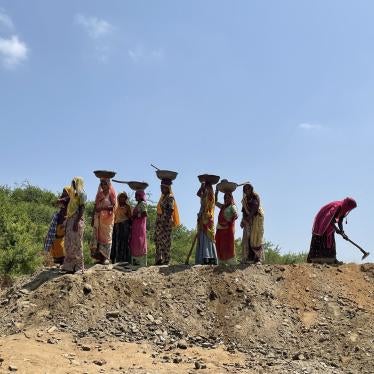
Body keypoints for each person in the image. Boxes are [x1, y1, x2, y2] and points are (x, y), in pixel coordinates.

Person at [307, 197, 357, 264]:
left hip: (330, 225)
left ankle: (332, 259)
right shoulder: (337, 206)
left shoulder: (343, 210)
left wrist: (342, 232)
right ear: (347, 205)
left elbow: (340, 221)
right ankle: (316, 260)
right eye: (350, 207)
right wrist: (337, 230)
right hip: (322, 221)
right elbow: (329, 220)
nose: (350, 209)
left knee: (330, 238)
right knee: (321, 237)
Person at [61, 177, 86, 273]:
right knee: (68, 243)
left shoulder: (82, 194)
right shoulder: (72, 194)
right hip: (70, 220)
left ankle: (79, 267)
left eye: (75, 183)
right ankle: (69, 266)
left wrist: (76, 222)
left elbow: (82, 209)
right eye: (73, 183)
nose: (74, 184)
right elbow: (69, 208)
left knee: (77, 243)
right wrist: (66, 222)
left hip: (77, 220)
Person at [90, 178, 116, 265]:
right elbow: (95, 206)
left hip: (108, 220)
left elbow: (114, 206)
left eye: (104, 183)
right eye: (101, 183)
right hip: (98, 218)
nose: (102, 185)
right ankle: (100, 257)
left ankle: (106, 258)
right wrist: (93, 218)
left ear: (108, 184)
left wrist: (103, 208)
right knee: (97, 237)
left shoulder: (111, 194)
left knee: (107, 238)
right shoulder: (99, 195)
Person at [154, 179, 180, 265]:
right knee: (158, 240)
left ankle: (166, 259)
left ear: (167, 188)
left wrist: (164, 221)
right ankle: (159, 259)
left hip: (166, 222)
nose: (161, 189)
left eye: (163, 188)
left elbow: (170, 210)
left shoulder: (170, 197)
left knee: (165, 241)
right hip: (160, 222)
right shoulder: (163, 197)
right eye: (161, 187)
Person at [44, 187, 70, 265]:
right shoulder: (63, 200)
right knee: (55, 240)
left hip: (62, 223)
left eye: (65, 192)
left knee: (59, 240)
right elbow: (56, 202)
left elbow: (61, 201)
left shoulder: (68, 200)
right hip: (57, 223)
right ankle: (58, 260)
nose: (63, 193)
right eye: (63, 191)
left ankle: (62, 260)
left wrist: (61, 199)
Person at [240, 183, 265, 264]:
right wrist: (243, 221)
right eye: (245, 189)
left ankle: (257, 258)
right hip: (248, 219)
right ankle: (249, 257)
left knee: (256, 238)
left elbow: (254, 209)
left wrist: (246, 220)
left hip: (257, 218)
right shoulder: (244, 200)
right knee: (248, 237)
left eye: (248, 189)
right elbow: (244, 211)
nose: (247, 191)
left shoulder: (255, 197)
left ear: (251, 189)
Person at [195, 181, 218, 265]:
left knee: (208, 238)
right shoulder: (203, 194)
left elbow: (209, 208)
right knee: (201, 237)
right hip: (201, 218)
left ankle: (209, 259)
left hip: (208, 219)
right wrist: (201, 187)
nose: (206, 189)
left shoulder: (211, 195)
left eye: (207, 187)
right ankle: (201, 260)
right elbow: (198, 194)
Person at [215, 190, 238, 265]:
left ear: (231, 198)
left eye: (228, 197)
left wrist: (233, 217)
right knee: (220, 244)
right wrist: (216, 192)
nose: (227, 199)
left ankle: (231, 262)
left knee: (228, 245)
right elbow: (215, 202)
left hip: (227, 229)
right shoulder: (223, 206)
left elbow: (236, 214)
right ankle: (221, 261)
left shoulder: (232, 206)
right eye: (225, 198)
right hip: (220, 228)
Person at [111, 192, 132, 264]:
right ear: (118, 198)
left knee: (125, 243)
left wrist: (127, 215)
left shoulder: (127, 207)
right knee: (116, 243)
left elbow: (130, 218)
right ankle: (117, 259)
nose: (122, 199)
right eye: (121, 197)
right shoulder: (116, 206)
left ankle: (125, 260)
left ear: (126, 199)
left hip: (125, 226)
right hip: (116, 226)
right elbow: (113, 216)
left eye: (124, 197)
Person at [130, 190, 148, 266]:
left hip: (140, 227)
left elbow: (145, 213)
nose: (135, 197)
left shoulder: (143, 204)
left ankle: (142, 264)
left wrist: (136, 216)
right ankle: (135, 263)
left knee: (140, 242)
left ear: (140, 196)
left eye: (137, 195)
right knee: (135, 242)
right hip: (136, 227)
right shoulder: (138, 204)